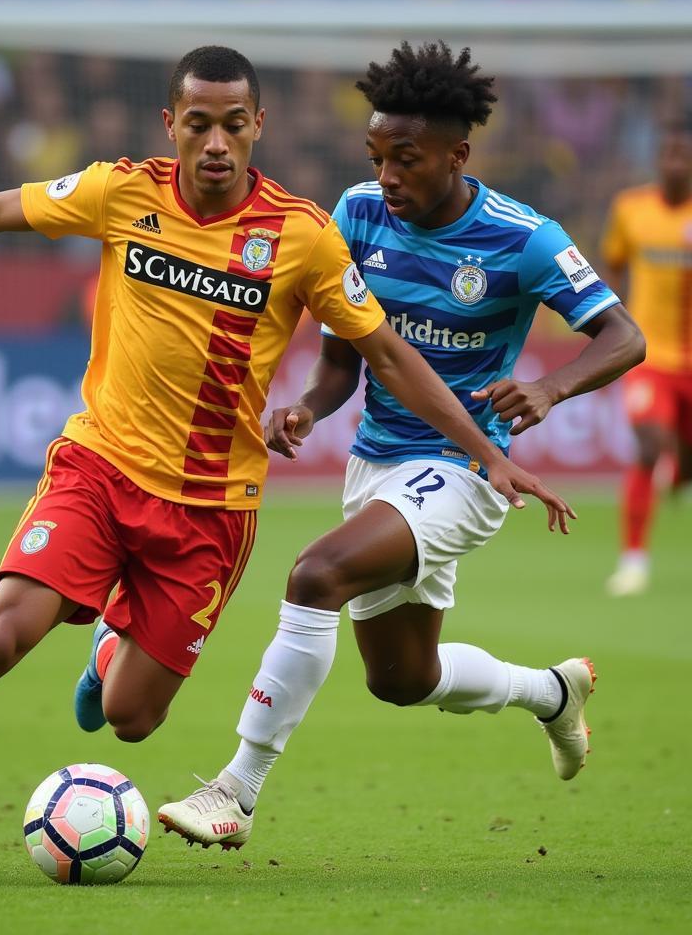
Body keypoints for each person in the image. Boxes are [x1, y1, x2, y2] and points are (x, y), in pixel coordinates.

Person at [0, 45, 570, 871]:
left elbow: (392, 355)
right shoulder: (121, 191)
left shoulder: (303, 237)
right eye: (198, 124)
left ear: (258, 126)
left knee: (132, 717)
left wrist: (489, 455)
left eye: (232, 124)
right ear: (172, 126)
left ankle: (110, 644)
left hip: (209, 511)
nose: (216, 143)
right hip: (100, 469)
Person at [157, 41, 644, 850]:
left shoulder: (522, 238)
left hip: (466, 468)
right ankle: (551, 694)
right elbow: (344, 361)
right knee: (401, 679)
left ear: (458, 154)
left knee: (316, 575)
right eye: (376, 156)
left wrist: (552, 388)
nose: (386, 176)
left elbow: (624, 336)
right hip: (377, 463)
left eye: (405, 159)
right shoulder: (356, 214)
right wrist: (309, 408)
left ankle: (234, 791)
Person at [602, 117, 692, 596]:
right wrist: (612, 323)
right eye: (668, 154)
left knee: (684, 464)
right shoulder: (631, 209)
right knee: (650, 445)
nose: (674, 163)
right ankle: (633, 561)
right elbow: (613, 266)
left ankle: (680, 474)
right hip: (651, 357)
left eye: (683, 155)